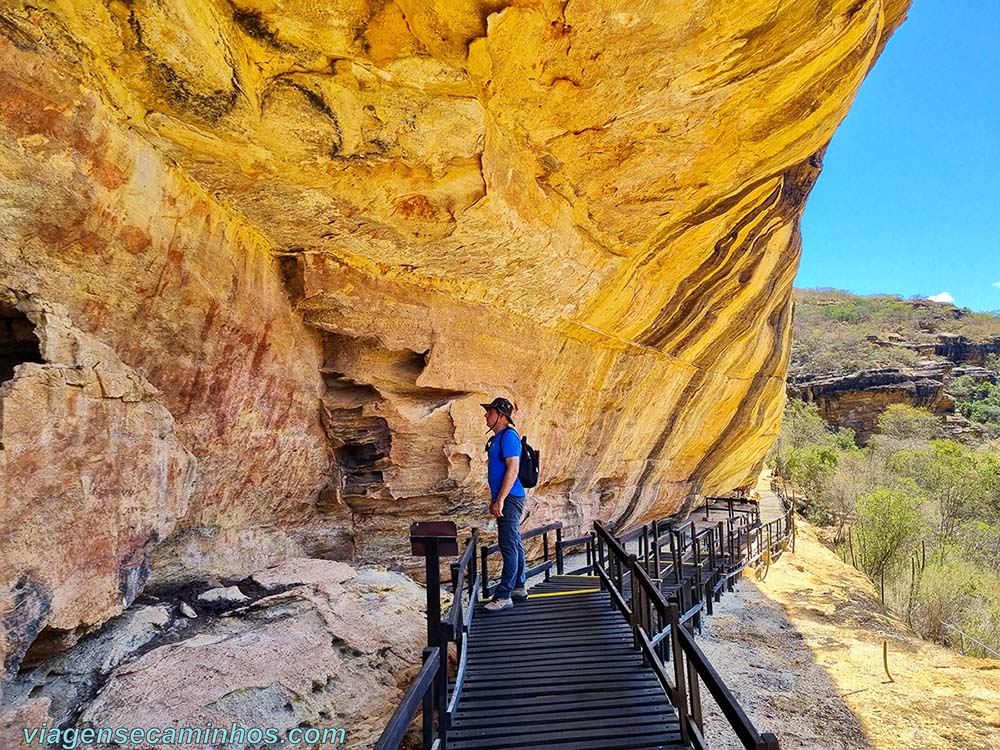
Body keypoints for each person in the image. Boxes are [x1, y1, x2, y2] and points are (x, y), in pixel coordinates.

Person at [481, 397, 527, 612]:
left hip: (510, 497)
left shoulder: (508, 436)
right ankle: (519, 586)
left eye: (489, 412)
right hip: (507, 497)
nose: (485, 415)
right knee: (515, 543)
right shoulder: (500, 437)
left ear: (500, 415)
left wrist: (500, 499)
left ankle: (504, 595)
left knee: (508, 545)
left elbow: (513, 469)